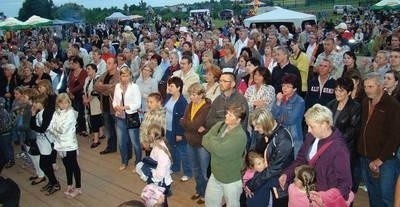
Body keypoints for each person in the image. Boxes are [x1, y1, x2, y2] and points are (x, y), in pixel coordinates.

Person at [279, 104, 353, 207]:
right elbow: (301, 160)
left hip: (323, 200)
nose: (308, 130)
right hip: (310, 195)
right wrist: (287, 174)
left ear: (324, 124)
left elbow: (345, 184)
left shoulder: (339, 149)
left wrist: (324, 197)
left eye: (311, 126)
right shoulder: (311, 136)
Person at [358, 72, 400, 207]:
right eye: (365, 87)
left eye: (371, 86)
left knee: (385, 195)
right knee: (372, 193)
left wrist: (380, 159)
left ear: (381, 86)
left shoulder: (392, 105)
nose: (367, 90)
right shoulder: (365, 102)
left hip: (385, 160)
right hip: (365, 156)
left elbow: (395, 136)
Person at [245, 108, 294, 207]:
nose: (255, 129)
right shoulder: (264, 132)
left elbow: (274, 168)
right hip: (265, 175)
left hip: (277, 180)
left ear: (266, 123)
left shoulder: (283, 138)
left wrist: (253, 184)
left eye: (257, 126)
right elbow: (255, 152)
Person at [202, 104, 247, 207]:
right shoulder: (220, 124)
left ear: (238, 120)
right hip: (215, 174)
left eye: (230, 115)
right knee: (210, 203)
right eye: (227, 113)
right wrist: (217, 144)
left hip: (231, 179)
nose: (226, 116)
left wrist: (213, 140)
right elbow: (204, 139)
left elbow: (220, 150)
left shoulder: (240, 136)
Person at [326, 77, 361, 193]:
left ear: (349, 92)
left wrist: (335, 140)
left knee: (343, 181)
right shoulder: (331, 104)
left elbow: (353, 130)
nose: (337, 93)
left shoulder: (355, 107)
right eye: (336, 90)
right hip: (329, 147)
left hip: (346, 149)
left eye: (341, 91)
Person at [180, 83, 212, 205]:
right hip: (190, 141)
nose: (191, 97)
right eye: (190, 94)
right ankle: (199, 191)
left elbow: (192, 124)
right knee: (196, 169)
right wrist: (187, 123)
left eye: (193, 94)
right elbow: (183, 121)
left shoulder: (207, 107)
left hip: (202, 144)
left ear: (201, 95)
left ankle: (206, 194)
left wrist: (186, 123)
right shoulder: (190, 105)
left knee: (204, 172)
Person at [48, 93, 82, 198]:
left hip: (69, 144)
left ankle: (78, 187)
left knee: (74, 165)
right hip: (59, 144)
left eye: (65, 102)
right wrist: (55, 129)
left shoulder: (71, 113)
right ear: (58, 103)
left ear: (69, 102)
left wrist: (54, 129)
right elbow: (50, 126)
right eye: (61, 103)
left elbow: (63, 129)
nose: (63, 105)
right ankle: (69, 184)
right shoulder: (56, 113)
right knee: (66, 165)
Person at [30, 94, 60, 195]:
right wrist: (33, 116)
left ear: (41, 103)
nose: (34, 104)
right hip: (42, 142)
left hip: (47, 143)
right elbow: (32, 125)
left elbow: (42, 129)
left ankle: (55, 183)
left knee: (43, 165)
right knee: (45, 165)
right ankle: (52, 182)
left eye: (35, 102)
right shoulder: (39, 112)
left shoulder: (46, 113)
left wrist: (35, 125)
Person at [113, 67, 142, 170]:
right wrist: (116, 106)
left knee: (135, 142)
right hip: (120, 117)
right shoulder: (117, 86)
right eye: (122, 75)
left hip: (131, 116)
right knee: (121, 142)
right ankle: (124, 161)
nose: (124, 78)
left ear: (130, 76)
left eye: (126, 75)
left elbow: (138, 104)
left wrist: (125, 107)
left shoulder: (135, 87)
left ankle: (138, 163)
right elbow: (114, 101)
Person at [136, 124, 172, 207]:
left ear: (152, 136)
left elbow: (161, 172)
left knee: (160, 201)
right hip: (158, 178)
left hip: (159, 181)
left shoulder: (161, 152)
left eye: (148, 135)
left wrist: (152, 177)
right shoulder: (159, 145)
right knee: (161, 201)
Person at [164, 77, 192, 181]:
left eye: (171, 86)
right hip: (168, 129)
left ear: (178, 88)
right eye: (169, 85)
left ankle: (188, 172)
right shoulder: (168, 97)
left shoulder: (182, 102)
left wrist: (179, 134)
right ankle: (175, 167)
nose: (169, 88)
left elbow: (183, 120)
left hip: (178, 131)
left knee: (183, 151)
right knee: (173, 149)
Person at [272, 74, 305, 157]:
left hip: (294, 135)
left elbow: (290, 120)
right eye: (283, 85)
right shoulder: (279, 98)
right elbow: (272, 115)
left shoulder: (300, 101)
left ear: (295, 89)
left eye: (288, 86)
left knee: (295, 161)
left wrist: (279, 116)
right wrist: (278, 102)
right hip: (280, 133)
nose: (284, 88)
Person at [288, 165, 354, 207]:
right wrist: (349, 195)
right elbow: (342, 203)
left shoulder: (291, 188)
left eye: (296, 176)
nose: (294, 178)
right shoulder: (314, 198)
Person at [94, 57, 120, 155]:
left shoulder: (118, 75)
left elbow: (114, 89)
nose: (107, 65)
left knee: (119, 130)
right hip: (105, 106)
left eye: (109, 63)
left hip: (115, 108)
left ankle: (123, 149)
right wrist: (107, 87)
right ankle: (111, 147)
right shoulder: (105, 74)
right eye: (107, 63)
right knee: (109, 129)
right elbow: (96, 86)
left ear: (115, 65)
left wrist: (102, 87)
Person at [83, 63, 104, 148]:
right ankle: (101, 134)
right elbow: (84, 90)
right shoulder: (87, 78)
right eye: (86, 69)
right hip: (89, 102)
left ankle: (96, 140)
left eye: (89, 69)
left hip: (96, 102)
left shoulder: (98, 78)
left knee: (95, 119)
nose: (87, 70)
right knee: (97, 118)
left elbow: (95, 91)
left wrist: (88, 100)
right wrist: (84, 98)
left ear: (94, 70)